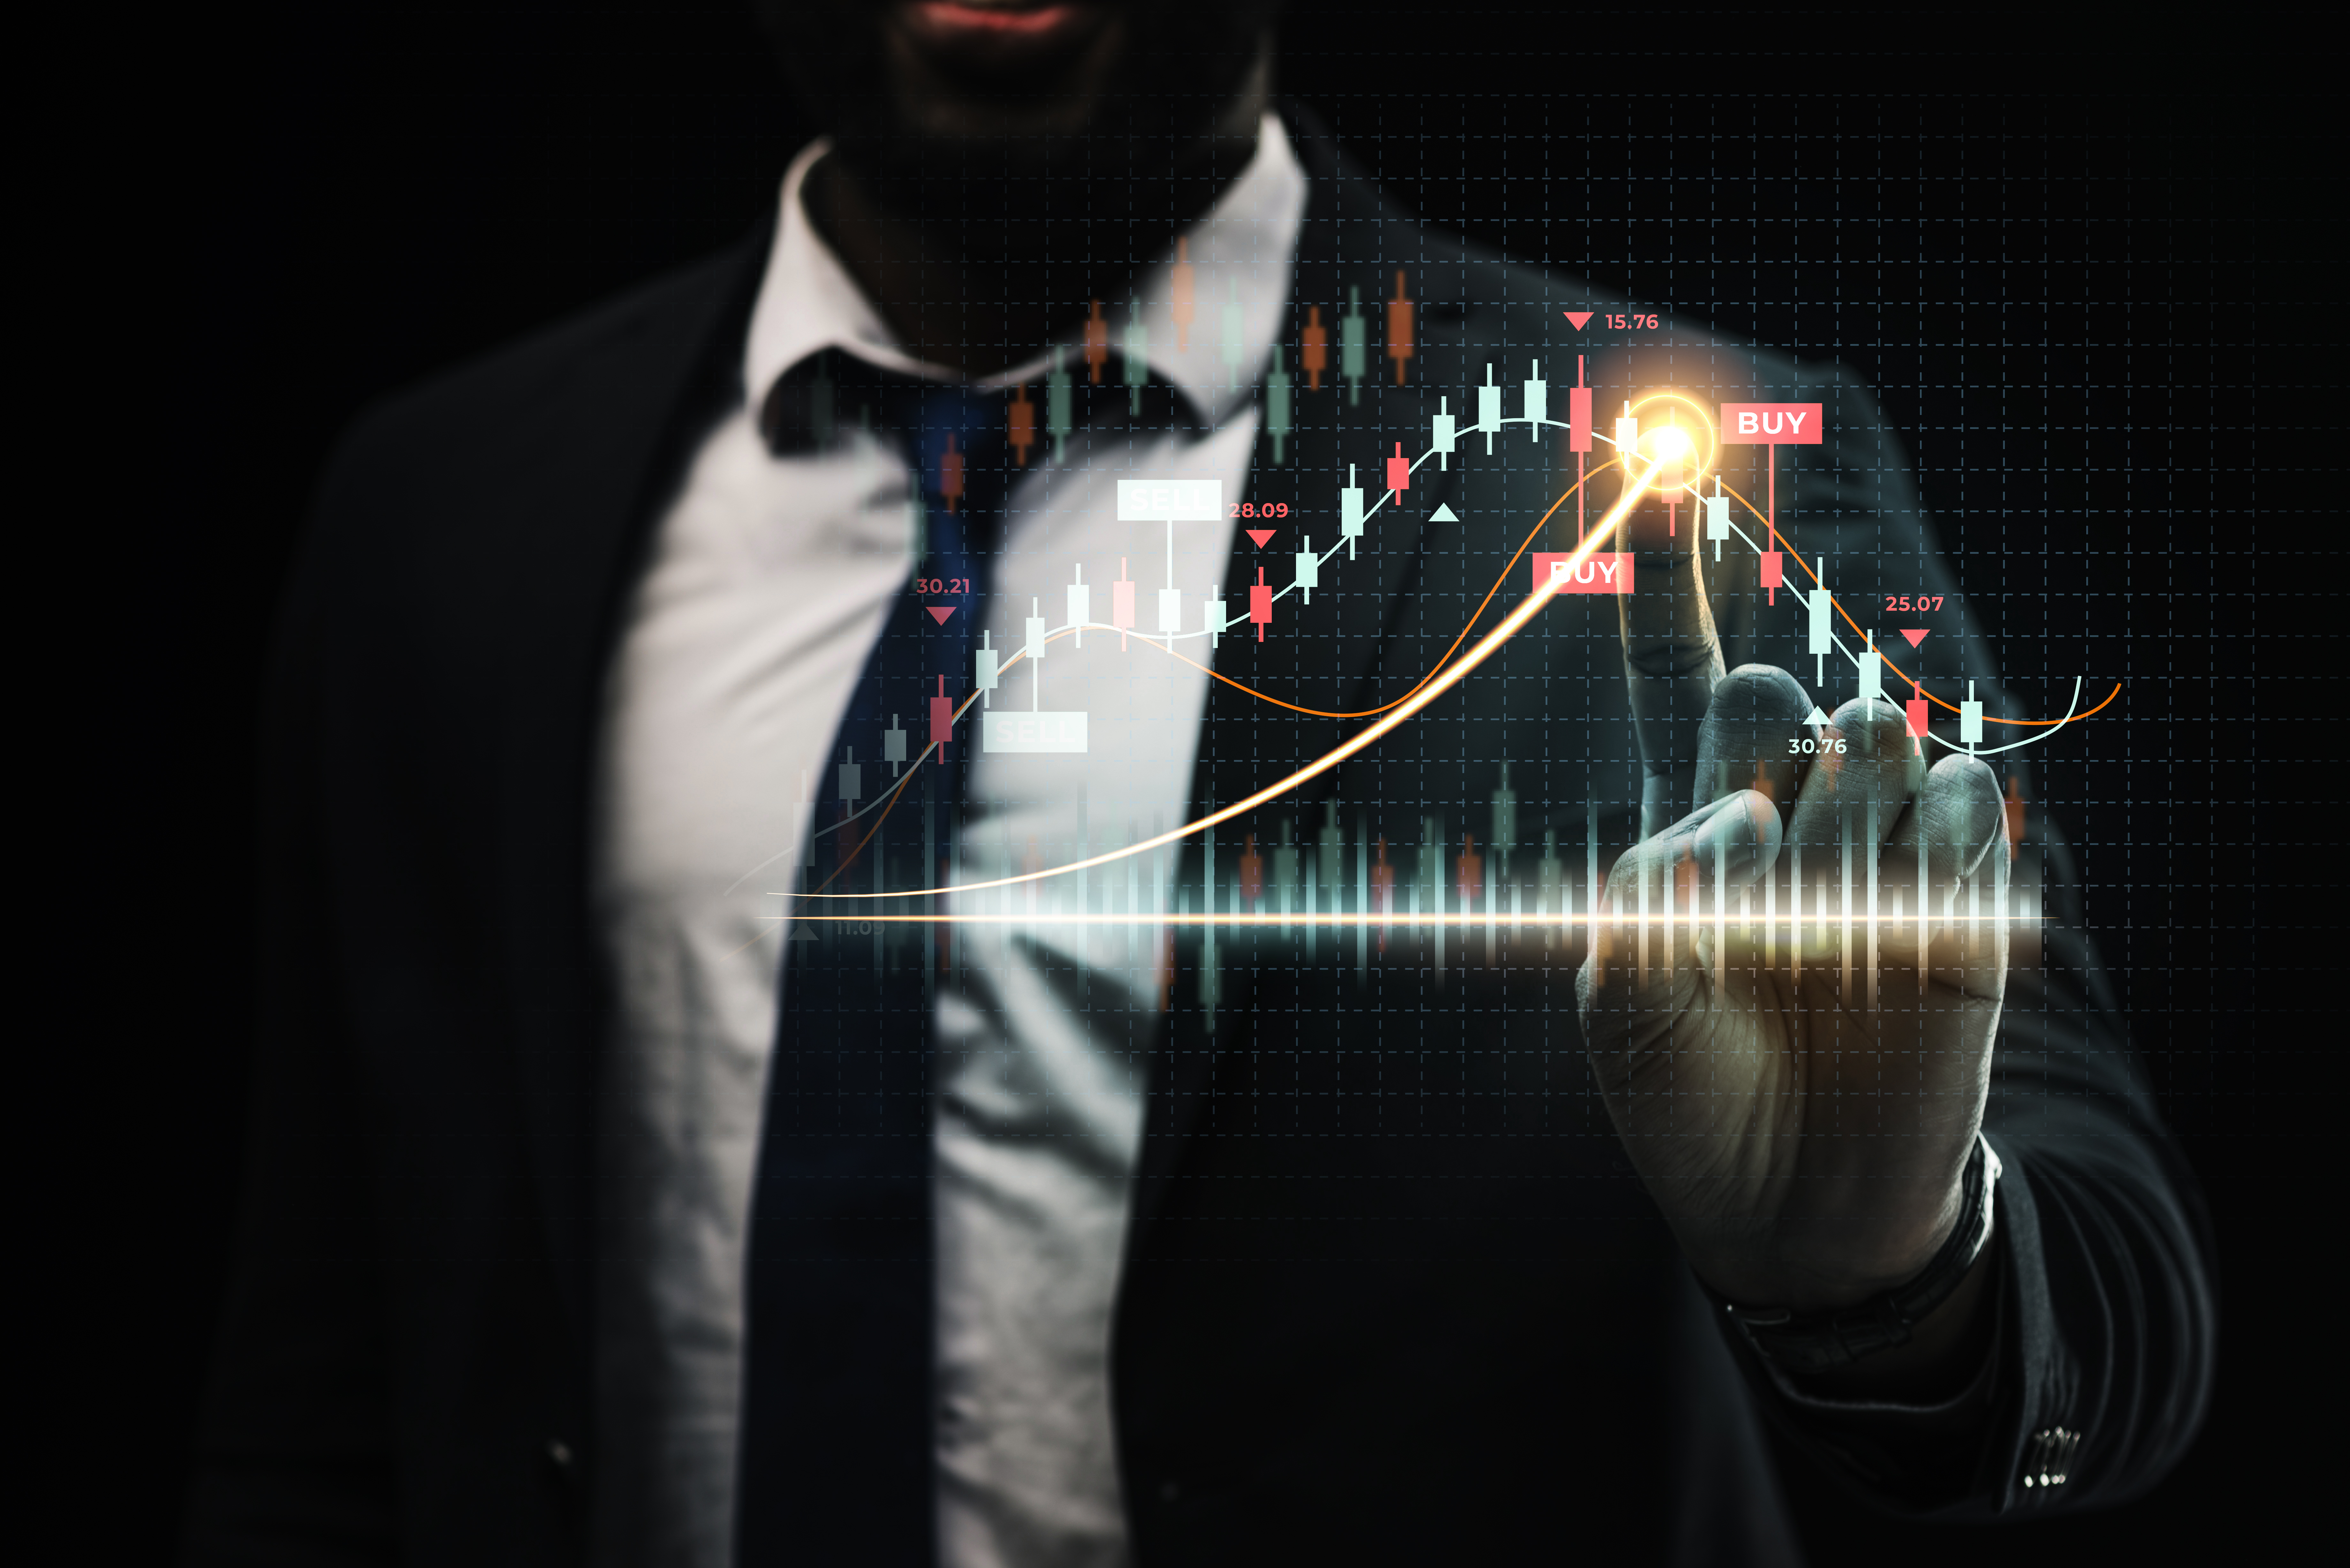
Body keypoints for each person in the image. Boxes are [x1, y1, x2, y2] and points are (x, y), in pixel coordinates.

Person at [182, 2, 2216, 1564]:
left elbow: (2112, 1353)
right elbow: (328, 1380)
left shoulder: (1695, 478)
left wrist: (1900, 1281)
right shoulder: (442, 517)